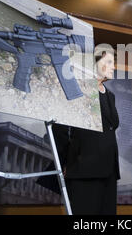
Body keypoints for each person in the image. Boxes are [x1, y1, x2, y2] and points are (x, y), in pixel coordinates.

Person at [39, 48, 120, 215]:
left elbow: (112, 126)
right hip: (83, 169)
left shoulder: (110, 95)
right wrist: (66, 162)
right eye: (109, 62)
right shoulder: (78, 90)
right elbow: (60, 129)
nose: (114, 67)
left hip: (109, 170)